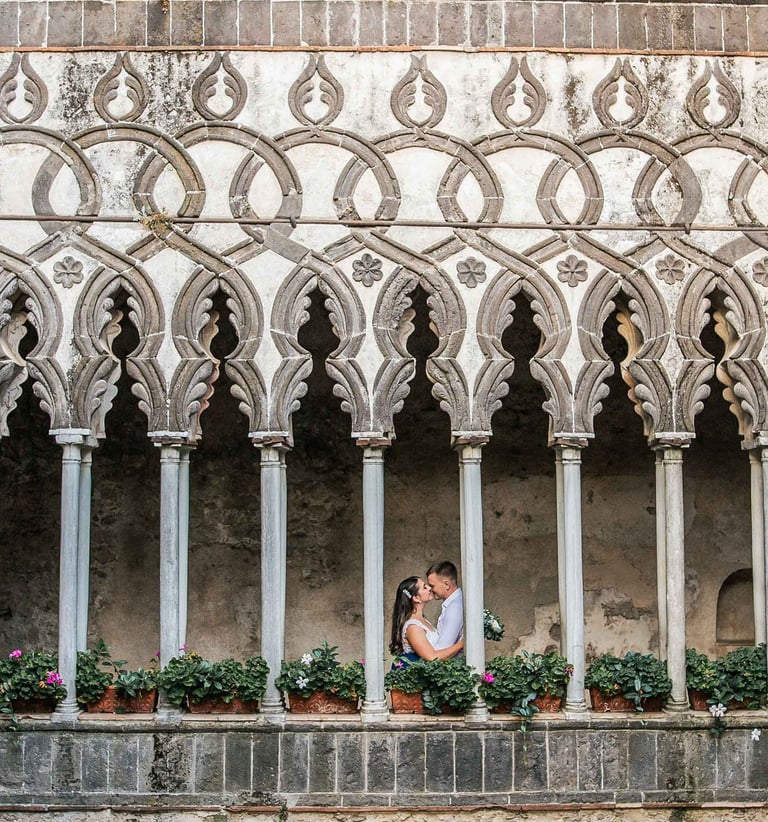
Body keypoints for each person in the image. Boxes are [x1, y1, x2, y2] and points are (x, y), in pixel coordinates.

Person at [389, 576, 464, 663]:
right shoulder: (413, 627)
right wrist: (462, 643)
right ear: (416, 598)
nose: (429, 588)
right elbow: (432, 657)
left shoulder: (423, 620)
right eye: (424, 587)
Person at [426, 560, 463, 650]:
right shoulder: (454, 603)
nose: (430, 589)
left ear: (446, 584)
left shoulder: (454, 608)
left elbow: (443, 647)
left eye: (432, 586)